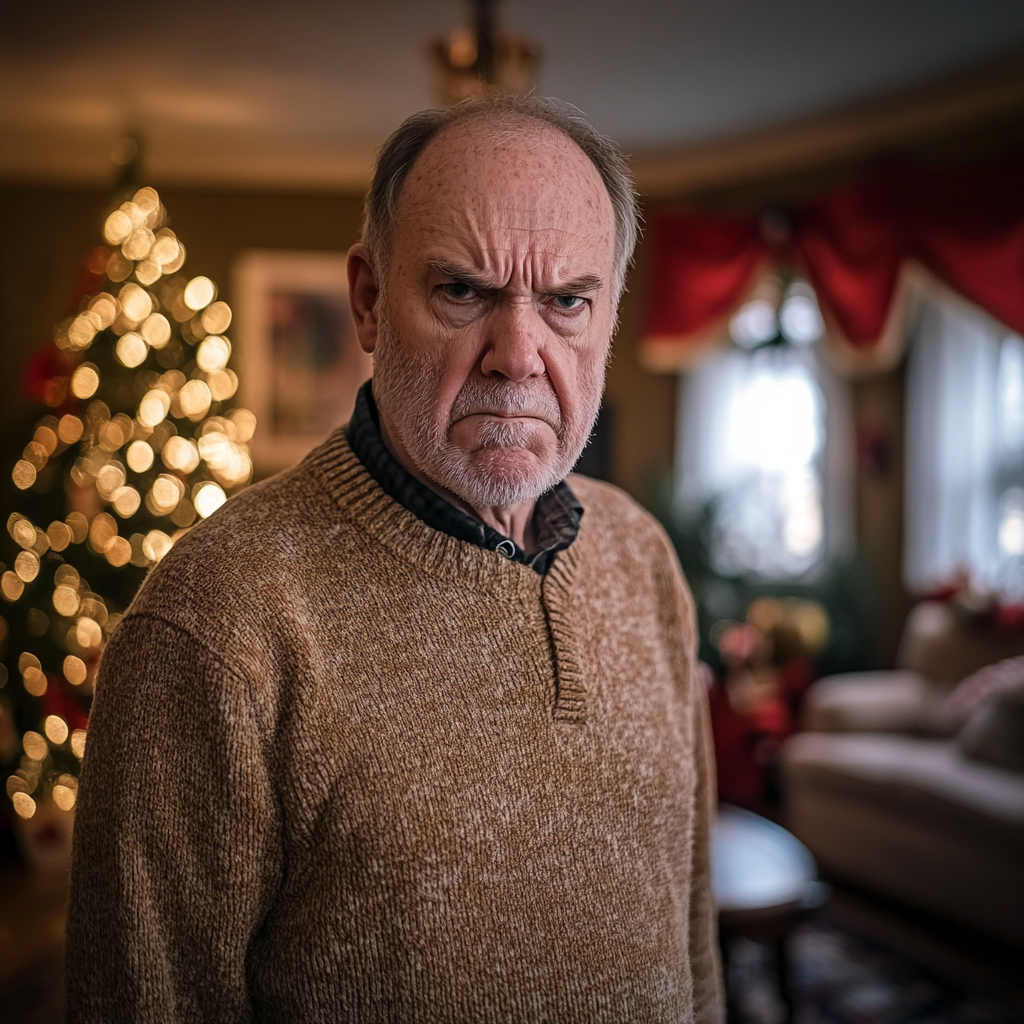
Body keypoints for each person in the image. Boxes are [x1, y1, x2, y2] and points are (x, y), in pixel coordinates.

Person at [66, 94, 724, 1023]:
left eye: (567, 300)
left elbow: (692, 931)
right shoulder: (216, 621)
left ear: (609, 314)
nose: (518, 356)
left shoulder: (643, 558)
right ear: (369, 300)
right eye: (464, 291)